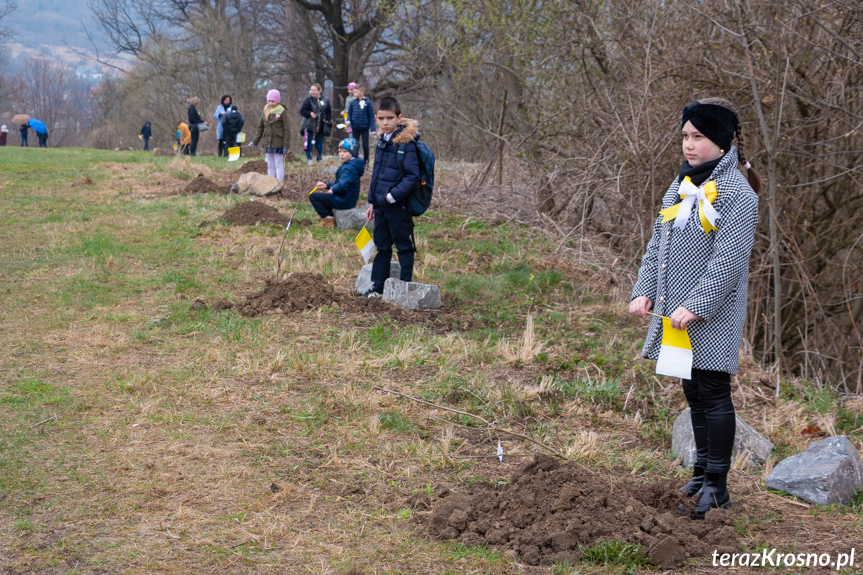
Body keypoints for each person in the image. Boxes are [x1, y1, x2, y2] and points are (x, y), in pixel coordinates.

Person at [629, 98, 761, 519]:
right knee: (691, 389)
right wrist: (644, 290)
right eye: (685, 136)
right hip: (674, 311)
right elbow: (658, 246)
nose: (689, 145)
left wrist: (698, 305)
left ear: (721, 141)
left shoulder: (738, 194)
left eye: (698, 137)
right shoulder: (682, 183)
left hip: (712, 313)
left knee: (714, 393)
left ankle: (718, 486)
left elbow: (729, 260)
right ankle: (702, 472)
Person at [363, 97, 421, 298]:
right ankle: (378, 287)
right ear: (376, 119)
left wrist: (391, 197)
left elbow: (413, 177)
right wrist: (372, 201)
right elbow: (377, 174)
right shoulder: (382, 142)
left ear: (399, 118)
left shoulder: (406, 144)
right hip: (380, 207)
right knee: (382, 246)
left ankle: (405, 287)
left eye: (389, 118)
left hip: (397, 207)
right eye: (381, 118)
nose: (385, 122)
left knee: (403, 246)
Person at [310, 137, 365, 227]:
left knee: (314, 197)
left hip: (343, 200)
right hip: (348, 199)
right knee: (325, 198)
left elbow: (342, 186)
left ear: (353, 152)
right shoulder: (351, 165)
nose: (341, 154)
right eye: (339, 152)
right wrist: (327, 186)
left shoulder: (348, 168)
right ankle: (332, 217)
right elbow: (339, 182)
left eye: (345, 151)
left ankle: (328, 220)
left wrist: (333, 190)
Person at [249, 89, 290, 182]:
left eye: (273, 101)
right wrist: (255, 141)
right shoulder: (265, 110)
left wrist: (286, 145)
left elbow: (287, 130)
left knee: (278, 164)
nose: (271, 103)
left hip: (279, 143)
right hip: (268, 143)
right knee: (270, 165)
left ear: (278, 101)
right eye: (269, 101)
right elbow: (260, 128)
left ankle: (279, 183)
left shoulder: (282, 111)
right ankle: (270, 183)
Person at [299, 83, 332, 165]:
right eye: (311, 90)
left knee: (319, 143)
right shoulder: (309, 100)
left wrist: (328, 120)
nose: (312, 92)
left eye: (314, 90)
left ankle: (319, 159)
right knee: (308, 144)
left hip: (321, 125)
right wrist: (310, 113)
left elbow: (329, 111)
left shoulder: (325, 100)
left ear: (319, 91)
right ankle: (309, 159)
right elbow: (302, 111)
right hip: (310, 125)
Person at [346, 84, 376, 163]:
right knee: (355, 145)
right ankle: (355, 161)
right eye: (354, 91)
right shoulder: (352, 103)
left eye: (356, 92)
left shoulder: (368, 103)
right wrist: (348, 120)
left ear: (361, 92)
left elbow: (371, 117)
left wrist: (373, 129)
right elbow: (349, 114)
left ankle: (366, 162)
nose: (354, 93)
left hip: (365, 128)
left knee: (365, 146)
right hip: (355, 127)